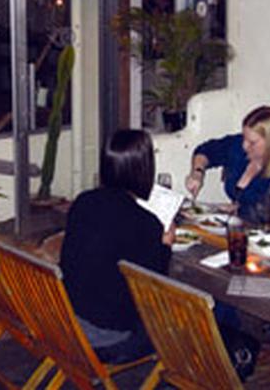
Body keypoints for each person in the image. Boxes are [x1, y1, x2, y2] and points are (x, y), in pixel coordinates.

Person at [59, 129, 175, 364]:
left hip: (65, 319)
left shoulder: (84, 202)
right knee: (187, 324)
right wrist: (165, 246)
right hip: (108, 338)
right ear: (144, 167)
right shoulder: (144, 222)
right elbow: (153, 288)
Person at [185, 105, 270, 225]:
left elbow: (269, 213)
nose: (244, 145)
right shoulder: (239, 147)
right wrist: (197, 173)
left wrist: (221, 210)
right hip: (246, 228)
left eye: (252, 142)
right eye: (244, 138)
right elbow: (206, 150)